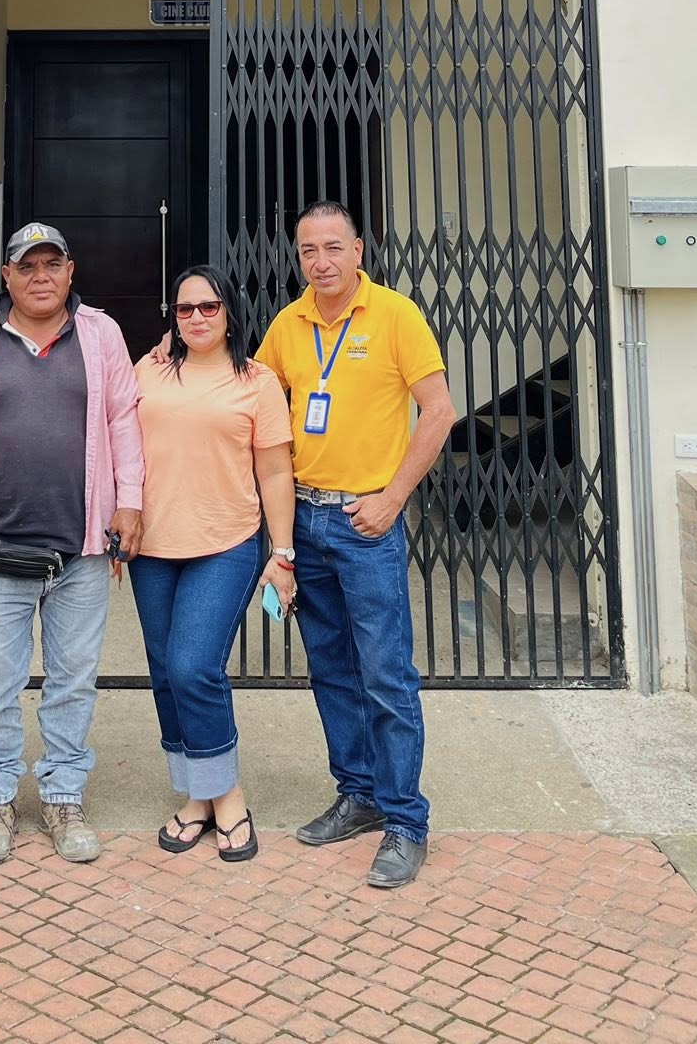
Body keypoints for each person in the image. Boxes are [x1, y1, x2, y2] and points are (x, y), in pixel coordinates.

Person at [0, 222, 144, 866]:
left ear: (70, 272)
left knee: (72, 684)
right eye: (27, 266)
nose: (40, 276)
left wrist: (130, 500)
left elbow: (123, 421)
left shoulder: (101, 334)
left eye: (52, 264)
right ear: (6, 276)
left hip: (82, 551)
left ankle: (63, 796)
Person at [256, 201, 455, 890]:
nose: (321, 262)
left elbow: (440, 411)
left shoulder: (396, 316)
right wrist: (175, 354)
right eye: (308, 250)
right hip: (306, 521)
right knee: (332, 669)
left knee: (386, 674)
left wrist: (393, 497)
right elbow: (249, 397)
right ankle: (359, 792)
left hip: (367, 523)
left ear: (359, 250)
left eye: (333, 247)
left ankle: (405, 820)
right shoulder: (289, 324)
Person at [131, 265, 296, 864]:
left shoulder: (257, 381)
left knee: (194, 666)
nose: (197, 317)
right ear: (172, 317)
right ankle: (197, 794)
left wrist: (282, 554)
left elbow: (274, 471)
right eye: (185, 309)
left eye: (209, 306)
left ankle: (227, 793)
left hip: (226, 543)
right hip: (152, 548)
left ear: (229, 312)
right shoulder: (148, 370)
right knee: (164, 672)